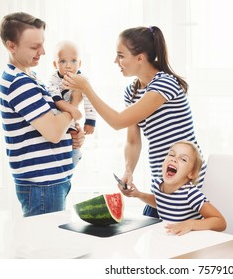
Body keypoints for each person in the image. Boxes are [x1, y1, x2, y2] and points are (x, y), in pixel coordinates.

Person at [63, 26, 206, 218]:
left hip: (186, 180)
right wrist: (128, 170)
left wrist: (87, 89)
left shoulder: (164, 84)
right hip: (163, 181)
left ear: (140, 58)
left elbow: (118, 121)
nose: (116, 61)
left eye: (121, 55)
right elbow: (132, 140)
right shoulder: (133, 91)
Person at [0, 12, 85, 217]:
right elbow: (54, 132)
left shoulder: (31, 77)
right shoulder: (19, 83)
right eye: (34, 47)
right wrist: (74, 104)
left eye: (42, 44)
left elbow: (54, 124)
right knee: (46, 247)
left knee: (48, 245)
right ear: (11, 46)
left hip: (51, 181)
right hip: (43, 185)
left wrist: (71, 135)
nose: (43, 52)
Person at [118, 140, 226, 236]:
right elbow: (161, 202)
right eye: (171, 154)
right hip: (171, 240)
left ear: (191, 173)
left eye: (183, 159)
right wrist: (138, 194)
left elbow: (220, 222)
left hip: (191, 244)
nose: (174, 159)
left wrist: (190, 224)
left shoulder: (191, 194)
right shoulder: (158, 185)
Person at [47, 40, 97, 166]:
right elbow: (56, 99)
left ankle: (74, 157)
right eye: (63, 61)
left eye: (73, 61)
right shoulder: (53, 79)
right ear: (55, 64)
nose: (68, 65)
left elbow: (90, 99)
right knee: (63, 143)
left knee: (75, 141)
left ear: (79, 63)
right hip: (57, 118)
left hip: (71, 122)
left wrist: (90, 121)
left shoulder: (82, 80)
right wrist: (73, 109)